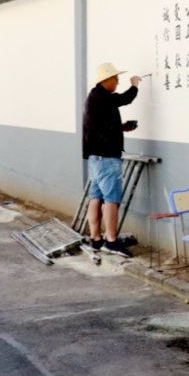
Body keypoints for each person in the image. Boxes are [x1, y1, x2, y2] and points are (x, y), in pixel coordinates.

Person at [82, 62, 141, 257]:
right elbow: (124, 99)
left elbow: (102, 125)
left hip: (96, 157)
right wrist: (134, 85)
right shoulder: (102, 97)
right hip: (107, 157)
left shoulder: (95, 97)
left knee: (96, 198)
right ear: (105, 80)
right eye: (115, 79)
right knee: (111, 200)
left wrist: (121, 127)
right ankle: (111, 241)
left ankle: (95, 239)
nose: (117, 82)